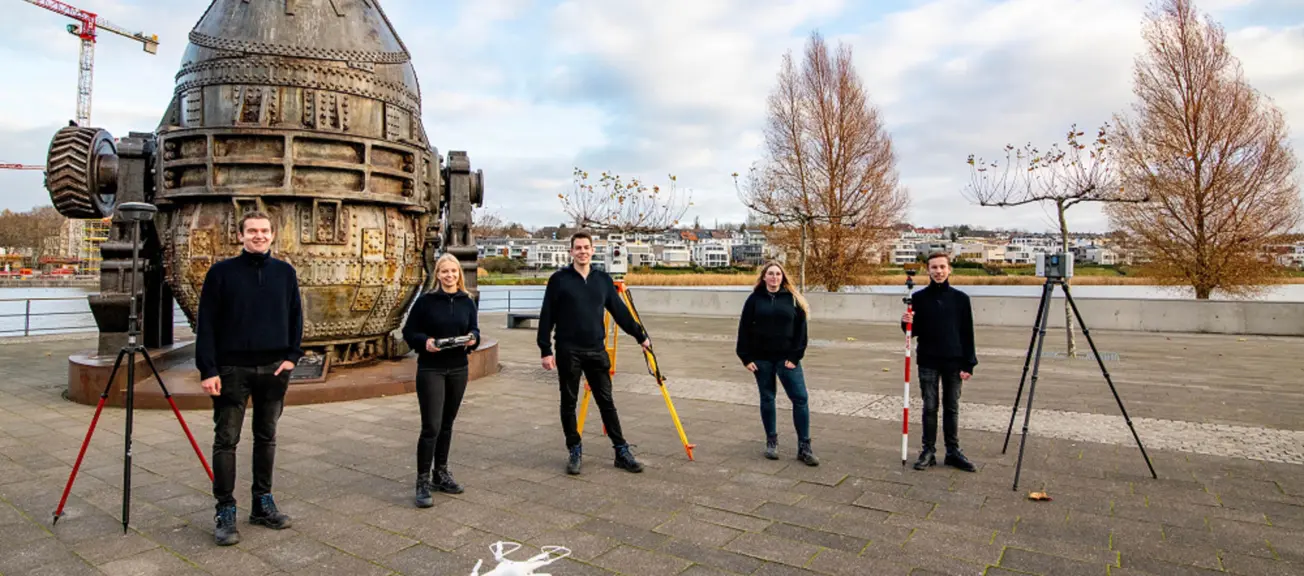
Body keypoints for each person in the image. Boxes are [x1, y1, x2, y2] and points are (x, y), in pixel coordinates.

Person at [195, 210, 302, 546]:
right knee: (226, 439)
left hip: (273, 370)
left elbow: (296, 315)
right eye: (252, 231)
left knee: (266, 438)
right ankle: (225, 508)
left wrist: (291, 357)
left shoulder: (284, 273)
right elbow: (207, 324)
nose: (259, 236)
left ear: (273, 235)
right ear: (240, 235)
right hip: (232, 370)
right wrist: (208, 369)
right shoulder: (221, 273)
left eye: (264, 230)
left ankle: (262, 502)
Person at [537, 230, 651, 475]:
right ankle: (574, 449)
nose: (582, 251)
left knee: (606, 402)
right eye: (578, 248)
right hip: (568, 351)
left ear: (592, 250)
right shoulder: (559, 280)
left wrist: (640, 335)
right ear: (571, 252)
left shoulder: (602, 280)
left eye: (586, 247)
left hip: (596, 350)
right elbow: (547, 315)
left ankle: (621, 450)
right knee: (568, 403)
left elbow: (619, 311)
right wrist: (545, 349)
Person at [401, 253, 480, 508]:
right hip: (431, 369)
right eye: (445, 272)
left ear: (459, 275)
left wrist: (473, 339)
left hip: (458, 368)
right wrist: (424, 342)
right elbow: (409, 331)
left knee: (447, 424)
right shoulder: (426, 302)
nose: (450, 276)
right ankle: (422, 480)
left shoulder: (467, 301)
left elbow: (475, 329)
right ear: (437, 274)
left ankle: (441, 473)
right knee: (431, 426)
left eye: (454, 272)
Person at [736, 262, 819, 466]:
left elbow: (801, 332)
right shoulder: (754, 300)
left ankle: (804, 447)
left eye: (778, 274)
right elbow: (744, 329)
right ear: (764, 277)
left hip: (787, 360)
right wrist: (746, 357)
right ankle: (771, 442)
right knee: (767, 398)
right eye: (770, 274)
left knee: (800, 399)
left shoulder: (792, 299)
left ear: (783, 277)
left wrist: (795, 357)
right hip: (761, 360)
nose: (774, 278)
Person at [902, 252, 978, 472]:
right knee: (930, 407)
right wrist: (905, 321)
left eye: (942, 267)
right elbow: (912, 332)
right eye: (934, 267)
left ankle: (953, 451)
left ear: (949, 269)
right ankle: (929, 451)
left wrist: (968, 363)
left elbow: (967, 333)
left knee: (951, 407)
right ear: (928, 270)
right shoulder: (918, 298)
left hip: (954, 361)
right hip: (928, 359)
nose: (938, 271)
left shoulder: (961, 299)